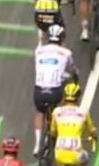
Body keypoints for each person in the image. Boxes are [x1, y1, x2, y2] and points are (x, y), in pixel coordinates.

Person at [48, 82, 98, 166]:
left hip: (60, 152)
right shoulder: (83, 113)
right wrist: (94, 137)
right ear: (78, 97)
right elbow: (92, 130)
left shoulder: (57, 112)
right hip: (76, 153)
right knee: (83, 162)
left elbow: (53, 131)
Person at [32, 24, 77, 156]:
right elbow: (72, 69)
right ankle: (59, 124)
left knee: (40, 112)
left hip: (39, 90)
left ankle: (37, 144)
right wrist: (75, 75)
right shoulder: (66, 53)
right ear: (62, 39)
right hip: (54, 92)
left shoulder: (39, 51)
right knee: (64, 94)